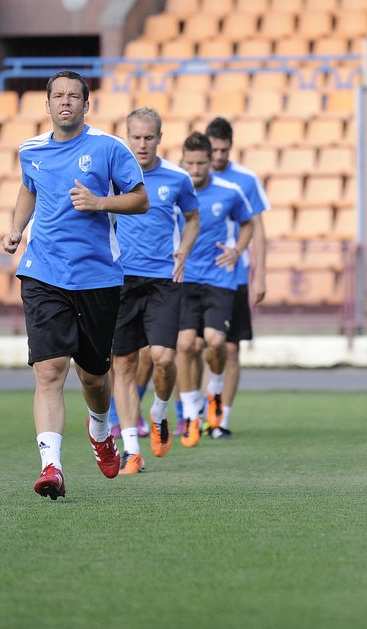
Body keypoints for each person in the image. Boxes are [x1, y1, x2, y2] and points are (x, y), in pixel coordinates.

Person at [1, 70, 147, 499]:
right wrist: (16, 229)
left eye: (73, 96)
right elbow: (29, 189)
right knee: (49, 369)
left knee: (95, 378)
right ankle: (52, 467)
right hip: (43, 271)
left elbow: (140, 198)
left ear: (87, 104)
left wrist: (100, 202)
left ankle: (100, 430)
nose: (65, 102)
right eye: (57, 96)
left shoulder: (108, 148)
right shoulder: (30, 150)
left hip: (98, 278)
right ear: (47, 105)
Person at [110, 107, 200, 474]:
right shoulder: (113, 179)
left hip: (164, 279)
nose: (142, 144)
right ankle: (132, 449)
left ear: (160, 138)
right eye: (136, 137)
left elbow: (193, 218)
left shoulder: (177, 178)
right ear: (126, 138)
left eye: (149, 137)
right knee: (125, 363)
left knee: (163, 358)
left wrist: (184, 250)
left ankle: (160, 412)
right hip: (121, 280)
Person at [174, 131, 254, 447]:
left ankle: (216, 391)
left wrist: (237, 250)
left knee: (216, 341)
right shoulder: (173, 190)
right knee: (184, 346)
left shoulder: (229, 191)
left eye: (201, 162)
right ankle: (192, 416)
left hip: (220, 279)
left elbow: (248, 223)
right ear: (183, 160)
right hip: (184, 278)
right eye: (190, 162)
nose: (195, 169)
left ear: (211, 162)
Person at [203, 117, 269, 439]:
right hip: (198, 276)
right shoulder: (192, 177)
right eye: (212, 149)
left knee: (230, 349)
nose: (217, 156)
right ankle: (196, 412)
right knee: (196, 346)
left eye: (223, 150)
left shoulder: (245, 179)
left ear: (231, 146)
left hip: (236, 275)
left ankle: (221, 419)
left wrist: (260, 275)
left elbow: (256, 228)